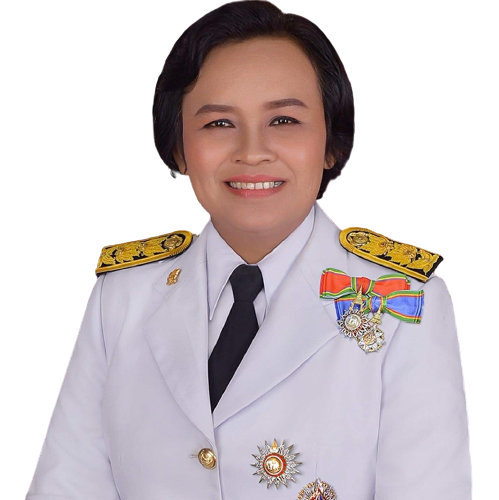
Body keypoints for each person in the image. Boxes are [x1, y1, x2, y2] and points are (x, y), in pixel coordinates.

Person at [26, 1, 472, 499]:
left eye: (284, 120)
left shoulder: (403, 300)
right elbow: (68, 486)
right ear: (179, 149)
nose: (252, 151)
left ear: (330, 142)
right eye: (219, 124)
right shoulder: (123, 296)